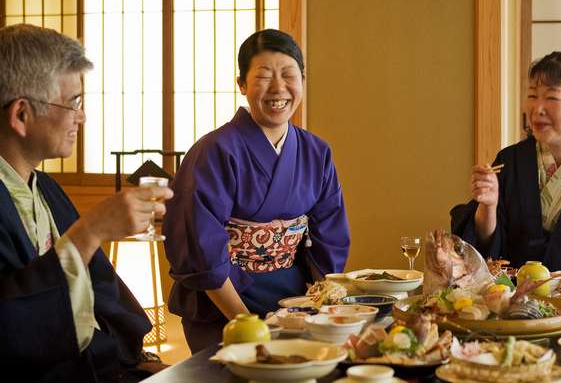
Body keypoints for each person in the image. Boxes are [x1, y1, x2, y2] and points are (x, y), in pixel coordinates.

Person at [0, 24, 173, 382]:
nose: (82, 117)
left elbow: (102, 300)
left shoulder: (45, 188)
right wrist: (90, 230)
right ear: (21, 114)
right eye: (73, 103)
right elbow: (11, 328)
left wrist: (133, 363)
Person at [164, 29, 351, 352]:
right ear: (241, 84)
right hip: (222, 304)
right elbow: (200, 248)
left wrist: (318, 308)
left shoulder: (316, 152)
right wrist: (245, 323)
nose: (279, 88)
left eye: (289, 75)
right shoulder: (214, 152)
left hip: (293, 305)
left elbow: (330, 240)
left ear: (303, 80)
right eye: (263, 76)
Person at [451, 51, 561, 272]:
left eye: (551, 97)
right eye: (532, 96)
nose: (537, 109)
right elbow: (484, 251)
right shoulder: (511, 160)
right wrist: (488, 205)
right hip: (512, 300)